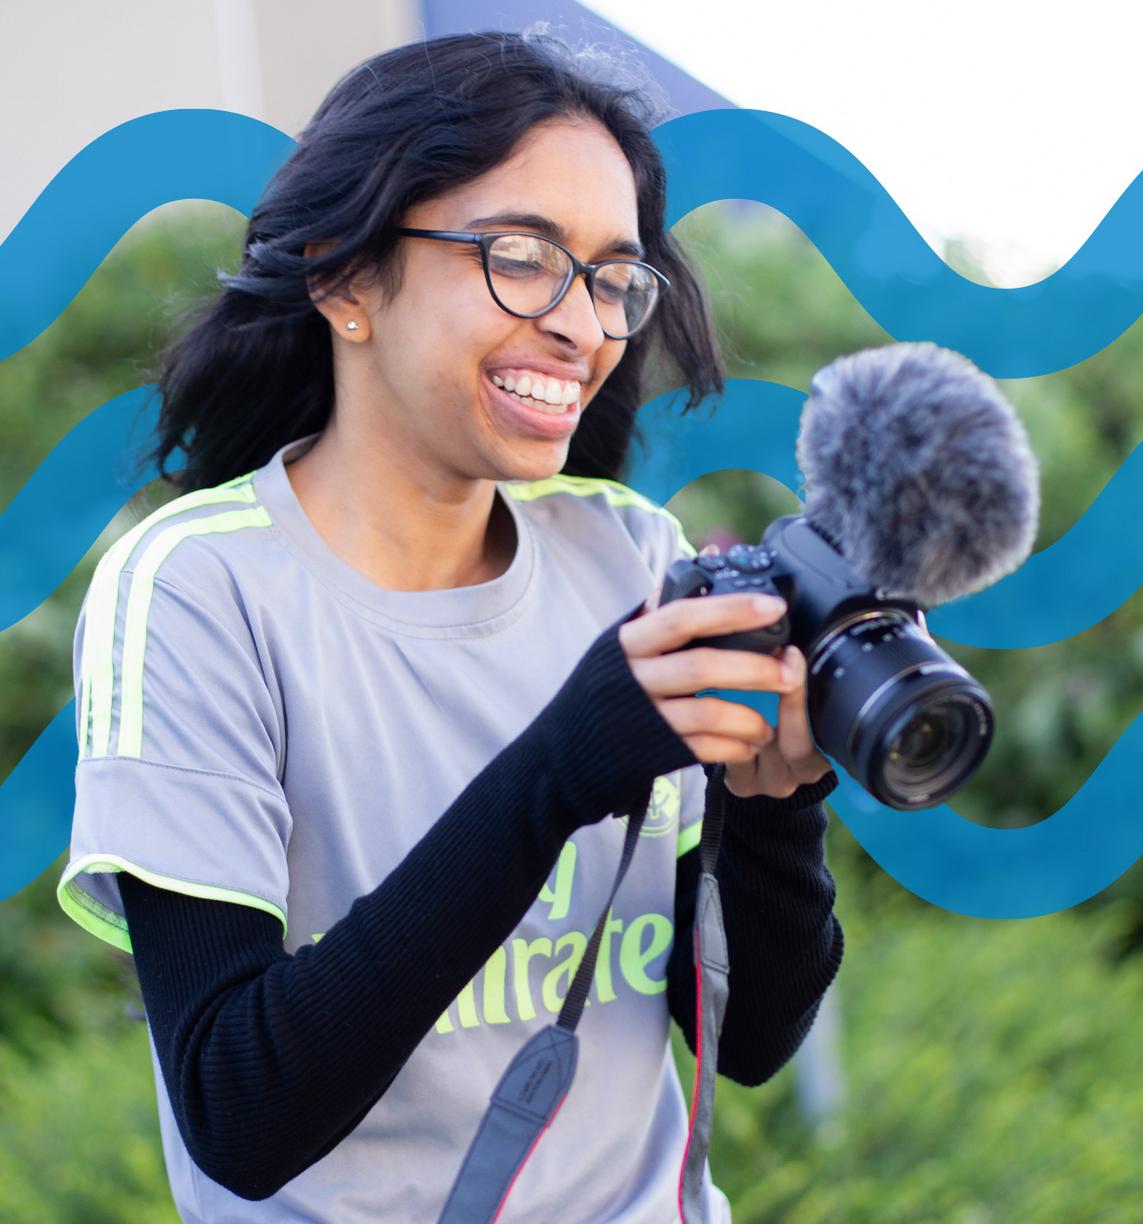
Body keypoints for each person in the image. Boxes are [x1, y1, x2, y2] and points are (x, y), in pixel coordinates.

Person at [57, 28, 843, 1223]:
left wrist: (777, 809)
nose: (582, 327)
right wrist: (555, 775)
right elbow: (240, 1110)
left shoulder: (631, 557)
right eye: (521, 257)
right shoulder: (198, 592)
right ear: (340, 274)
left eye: (613, 279)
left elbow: (745, 1042)